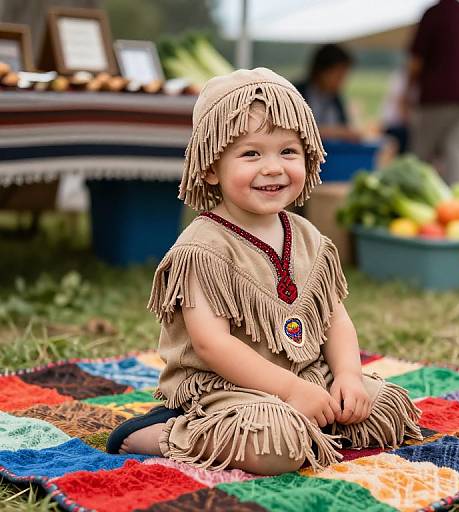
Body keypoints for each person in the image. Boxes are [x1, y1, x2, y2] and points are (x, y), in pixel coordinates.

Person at [106, 68, 422, 475]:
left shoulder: (309, 237)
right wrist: (290, 391)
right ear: (210, 168)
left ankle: (315, 420)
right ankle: (167, 433)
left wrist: (347, 376)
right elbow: (212, 346)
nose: (273, 167)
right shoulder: (203, 248)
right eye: (251, 153)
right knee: (277, 447)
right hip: (225, 389)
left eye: (288, 152)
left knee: (383, 410)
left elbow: (336, 320)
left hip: (304, 372)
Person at [404, 0, 459, 184]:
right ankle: (456, 202)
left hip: (436, 97)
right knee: (458, 153)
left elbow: (416, 61)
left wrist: (406, 93)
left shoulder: (433, 14)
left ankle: (417, 195)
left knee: (421, 154)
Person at [296, 44, 362, 142]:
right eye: (338, 75)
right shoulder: (295, 94)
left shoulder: (336, 100)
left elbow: (345, 128)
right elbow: (294, 130)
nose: (342, 81)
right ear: (322, 71)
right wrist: (338, 132)